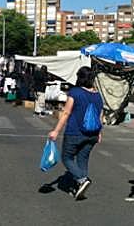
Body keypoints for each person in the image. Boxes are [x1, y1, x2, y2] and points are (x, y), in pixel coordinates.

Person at [48, 66, 103, 199]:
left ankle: (82, 180)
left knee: (67, 158)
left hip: (75, 132)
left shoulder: (75, 92)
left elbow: (66, 112)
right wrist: (100, 133)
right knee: (83, 158)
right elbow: (100, 115)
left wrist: (56, 131)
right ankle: (80, 186)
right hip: (93, 134)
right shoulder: (97, 95)